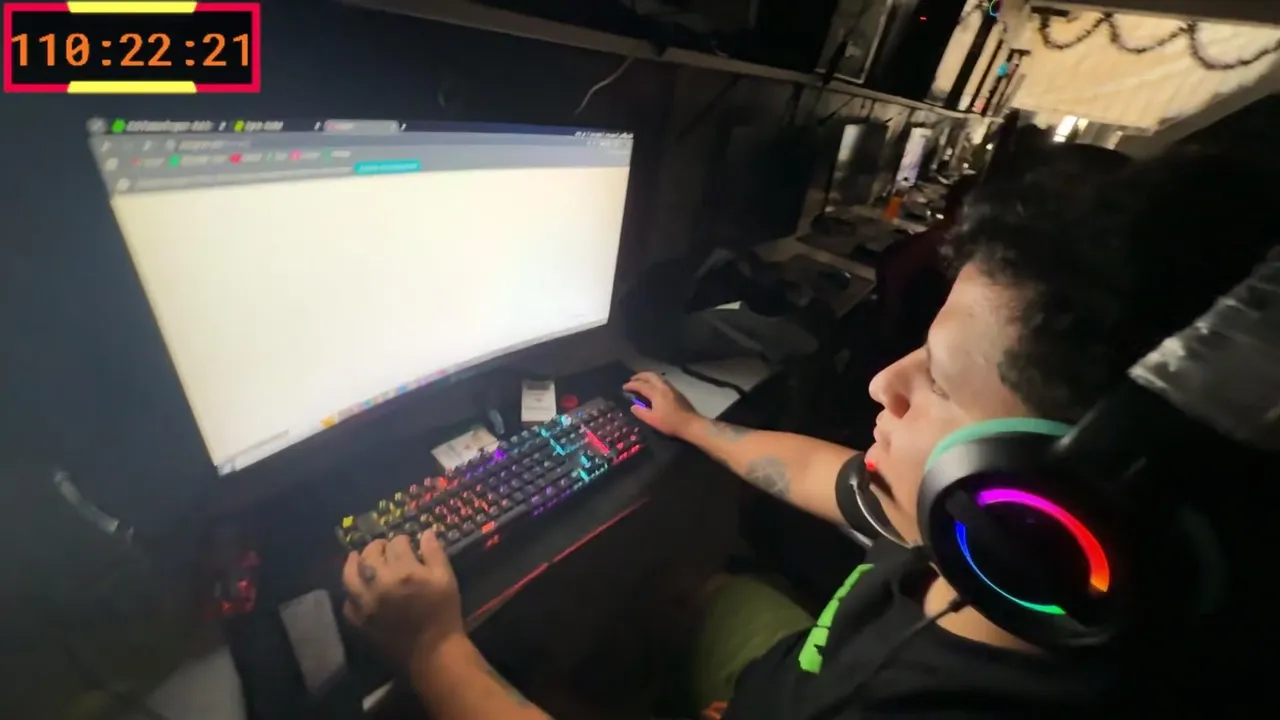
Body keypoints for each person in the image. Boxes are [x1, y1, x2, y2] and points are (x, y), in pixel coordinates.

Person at [339, 144, 1277, 719]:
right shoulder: (1033, 560)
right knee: (691, 588)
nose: (884, 382)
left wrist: (431, 648)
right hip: (787, 675)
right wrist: (700, 431)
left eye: (939, 382)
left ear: (1045, 498)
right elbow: (841, 478)